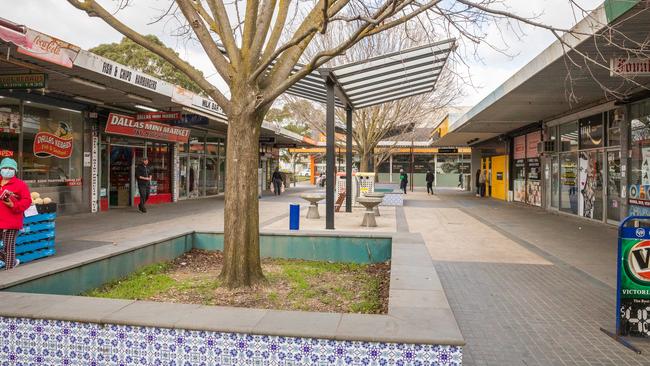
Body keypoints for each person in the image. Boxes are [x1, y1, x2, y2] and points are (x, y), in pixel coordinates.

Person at [0, 158, 32, 270]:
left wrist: (13, 205)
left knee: (8, 247)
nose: (7, 170)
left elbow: (27, 201)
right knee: (5, 250)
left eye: (10, 168)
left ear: (15, 170)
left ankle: (10, 271)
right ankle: (13, 261)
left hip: (12, 221)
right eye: (5, 168)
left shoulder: (20, 185)